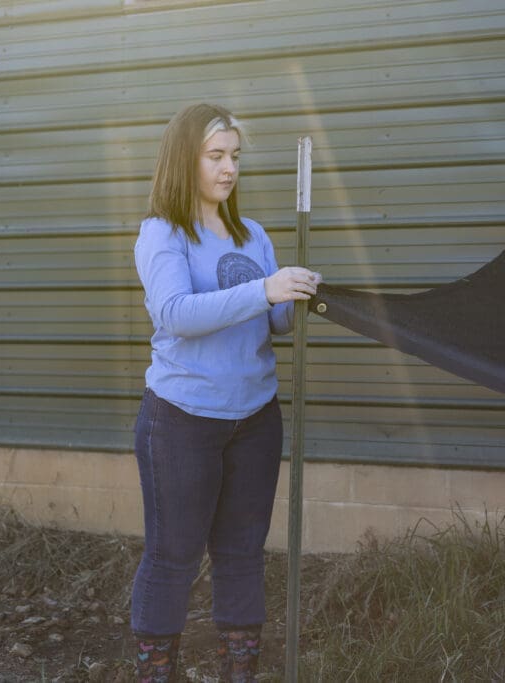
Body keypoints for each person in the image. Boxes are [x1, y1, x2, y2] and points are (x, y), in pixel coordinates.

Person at [129, 103, 321, 682]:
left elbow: (271, 324)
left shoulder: (252, 234)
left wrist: (295, 297)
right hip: (183, 419)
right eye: (216, 156)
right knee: (174, 556)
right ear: (184, 160)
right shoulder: (163, 233)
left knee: (242, 555)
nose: (229, 168)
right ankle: (155, 672)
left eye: (235, 156)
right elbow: (175, 313)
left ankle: (240, 673)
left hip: (255, 419)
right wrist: (265, 289)